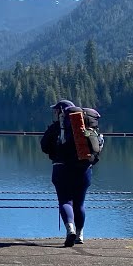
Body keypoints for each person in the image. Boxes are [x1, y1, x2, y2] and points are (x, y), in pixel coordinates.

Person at [40, 99, 100, 247]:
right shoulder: (86, 126)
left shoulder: (55, 128)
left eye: (56, 110)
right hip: (83, 168)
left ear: (60, 112)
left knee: (65, 200)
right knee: (79, 204)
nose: (54, 113)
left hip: (61, 168)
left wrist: (56, 151)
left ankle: (70, 230)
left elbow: (44, 146)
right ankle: (80, 235)